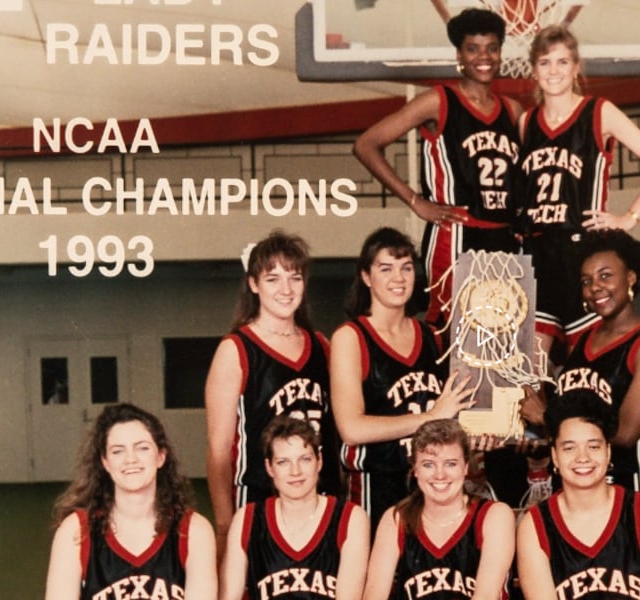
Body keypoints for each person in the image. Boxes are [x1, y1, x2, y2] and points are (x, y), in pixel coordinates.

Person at [353, 8, 522, 327]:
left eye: (492, 48)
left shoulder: (512, 111)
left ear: (500, 53)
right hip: (457, 233)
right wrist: (415, 201)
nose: (483, 57)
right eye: (473, 48)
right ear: (459, 55)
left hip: (505, 236)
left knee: (504, 332)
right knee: (453, 333)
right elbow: (366, 144)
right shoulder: (438, 100)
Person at [516, 25, 640, 356]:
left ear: (576, 68)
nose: (554, 71)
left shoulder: (598, 112)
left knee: (588, 364)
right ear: (533, 70)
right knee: (528, 373)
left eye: (563, 62)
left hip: (582, 255)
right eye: (545, 62)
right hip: (537, 257)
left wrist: (628, 219)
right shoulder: (526, 123)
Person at [205, 230, 340, 562]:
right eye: (273, 278)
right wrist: (225, 524)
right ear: (253, 284)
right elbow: (219, 449)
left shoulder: (323, 346)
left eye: (294, 278)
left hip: (321, 499)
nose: (286, 289)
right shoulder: (236, 350)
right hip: (259, 501)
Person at [329, 227, 477, 528]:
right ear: (366, 277)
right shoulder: (351, 337)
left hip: (434, 483)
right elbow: (351, 429)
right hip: (376, 485)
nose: (399, 278)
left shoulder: (433, 336)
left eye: (406, 267)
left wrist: (480, 428)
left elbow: (453, 411)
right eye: (386, 268)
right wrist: (431, 416)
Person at [520, 229, 640, 506]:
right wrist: (531, 435)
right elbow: (565, 418)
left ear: (630, 277)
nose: (595, 287)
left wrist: (546, 416)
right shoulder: (581, 342)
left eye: (605, 276)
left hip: (632, 487)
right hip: (576, 486)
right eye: (586, 281)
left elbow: (626, 433)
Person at [516, 391, 640, 600]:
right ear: (555, 457)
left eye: (593, 446)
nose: (583, 458)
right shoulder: (535, 526)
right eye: (569, 448)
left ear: (608, 452)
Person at [44, 403, 216, 600]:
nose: (130, 459)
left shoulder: (194, 531)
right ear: (105, 462)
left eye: (142, 448)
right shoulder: (76, 531)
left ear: (161, 456)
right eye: (118, 451)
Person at [220, 415, 370, 600]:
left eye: (305, 459)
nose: (295, 471)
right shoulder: (247, 520)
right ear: (269, 467)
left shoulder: (349, 519)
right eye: (283, 462)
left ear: (319, 461)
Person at [363, 419, 515, 600]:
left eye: (450, 463)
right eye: (428, 464)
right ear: (415, 469)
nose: (440, 475)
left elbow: (487, 595)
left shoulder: (494, 516)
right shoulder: (396, 519)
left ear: (465, 467)